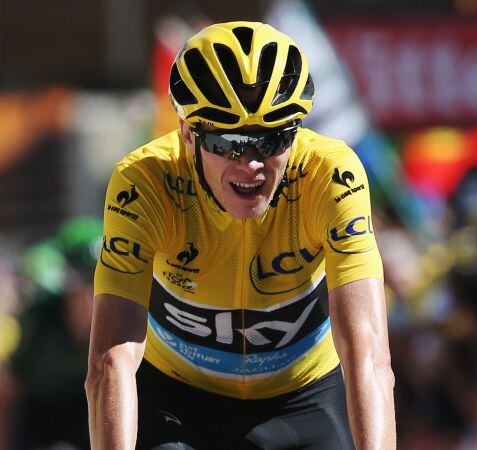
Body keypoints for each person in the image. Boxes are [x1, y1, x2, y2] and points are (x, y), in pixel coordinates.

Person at [86, 21, 396, 450]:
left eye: (272, 139)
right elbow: (110, 360)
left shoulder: (331, 175)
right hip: (177, 400)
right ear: (188, 136)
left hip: (302, 398)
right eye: (228, 142)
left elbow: (368, 357)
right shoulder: (144, 183)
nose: (251, 164)